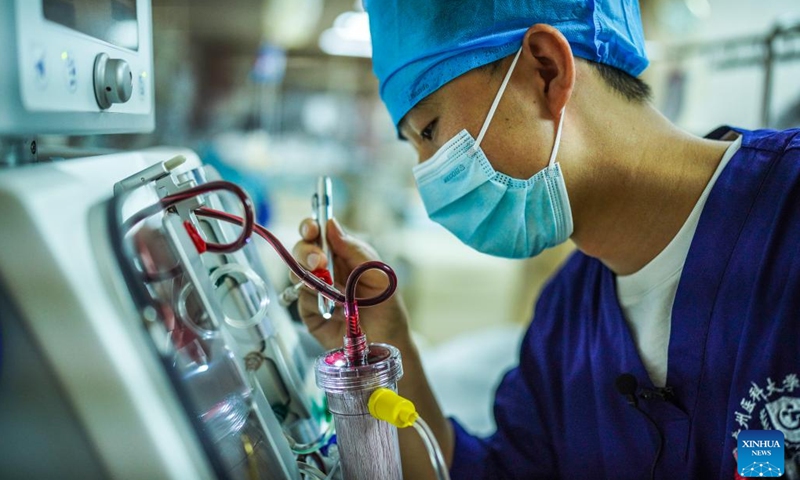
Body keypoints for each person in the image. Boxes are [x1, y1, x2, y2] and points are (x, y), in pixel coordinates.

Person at [292, 0, 800, 478]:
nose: (428, 182)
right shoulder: (566, 322)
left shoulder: (787, 217)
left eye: (429, 132)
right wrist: (385, 343)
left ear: (545, 69)